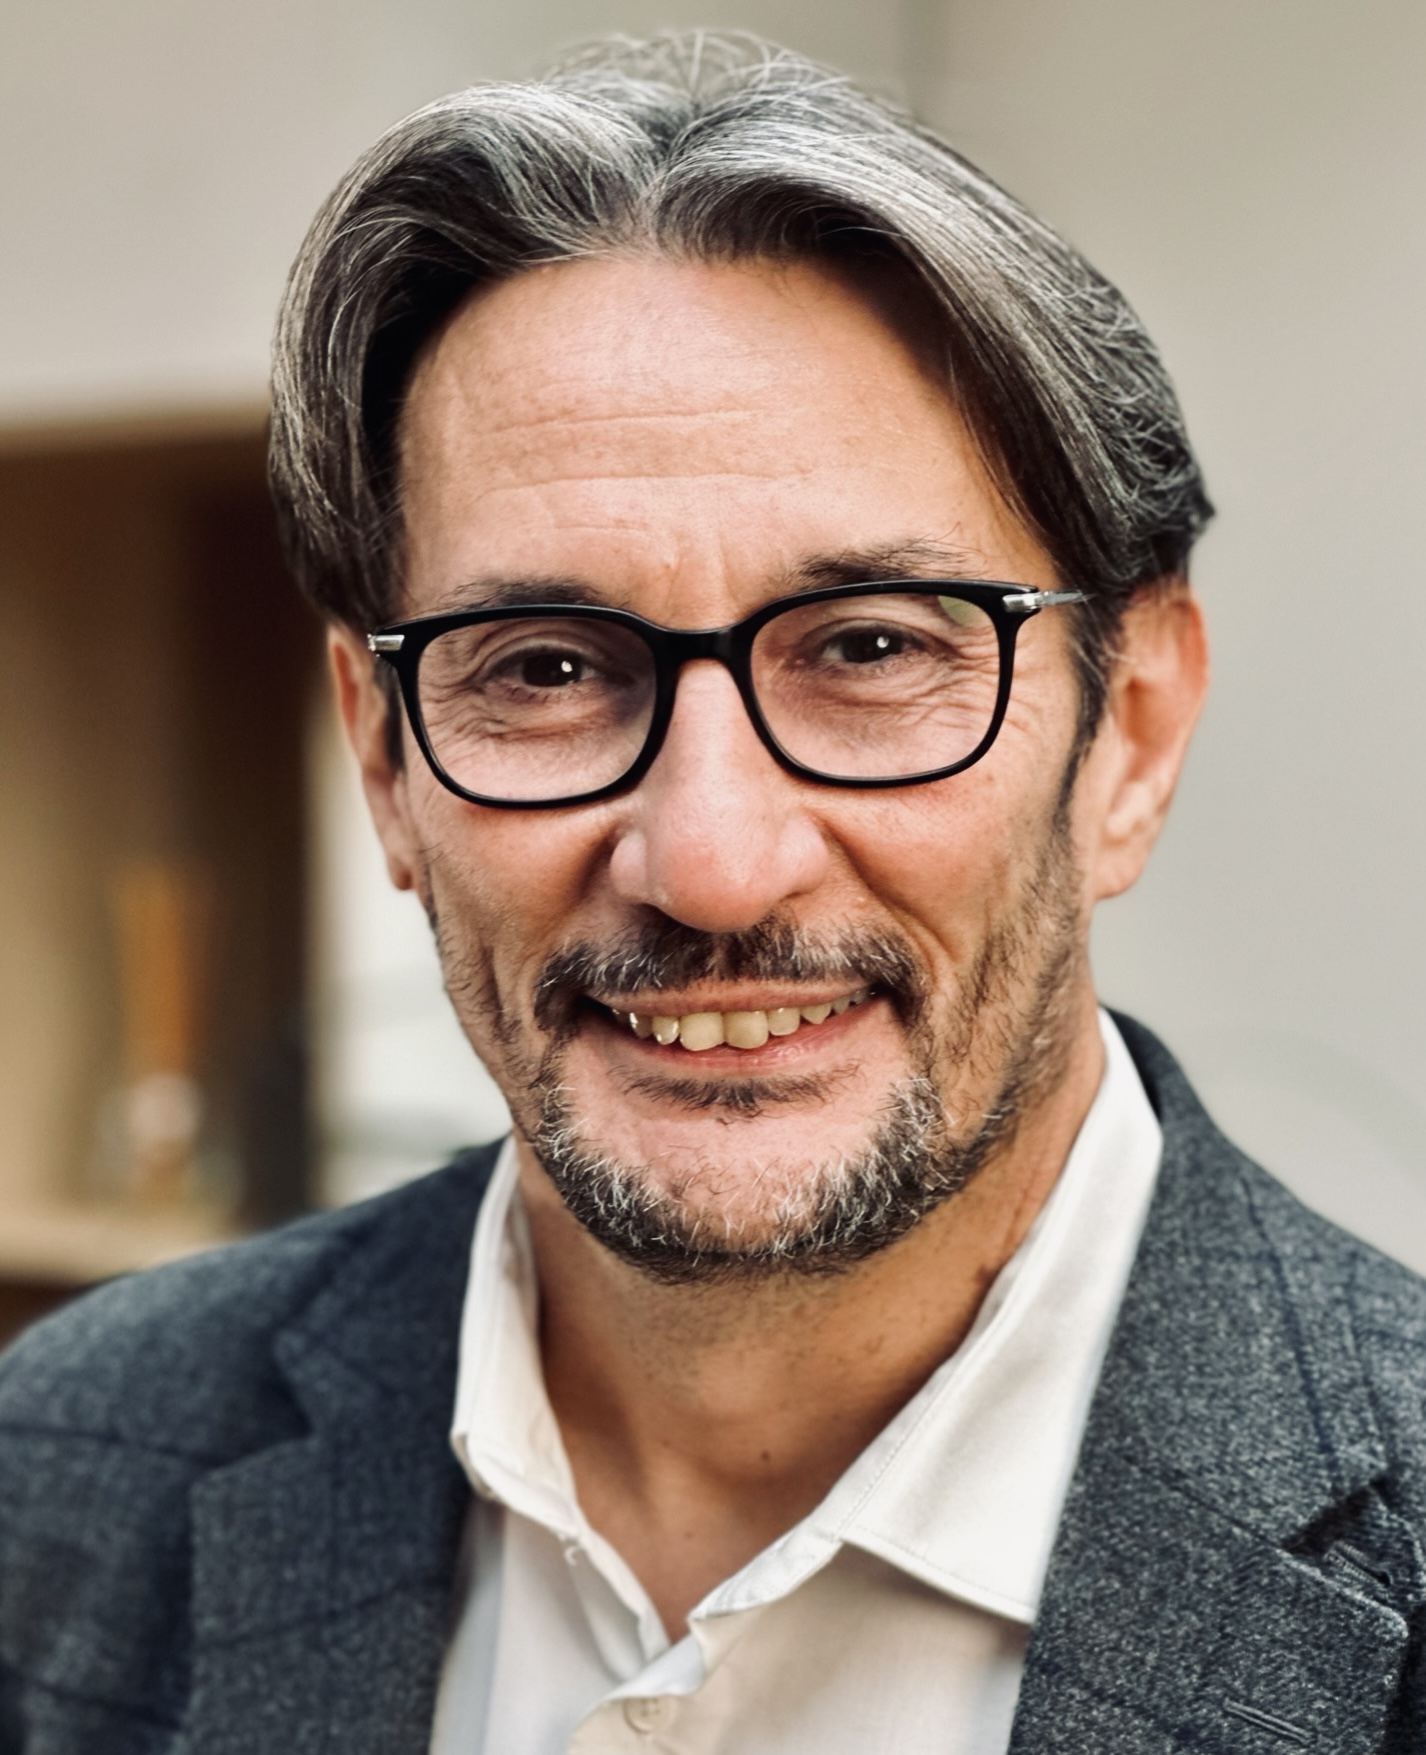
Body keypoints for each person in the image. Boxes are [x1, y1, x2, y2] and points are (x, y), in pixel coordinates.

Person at [3, 32, 1425, 1755]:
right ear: (383, 760)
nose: (709, 861)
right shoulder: (61, 1473)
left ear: (1127, 731)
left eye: (869, 649)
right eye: (543, 667)